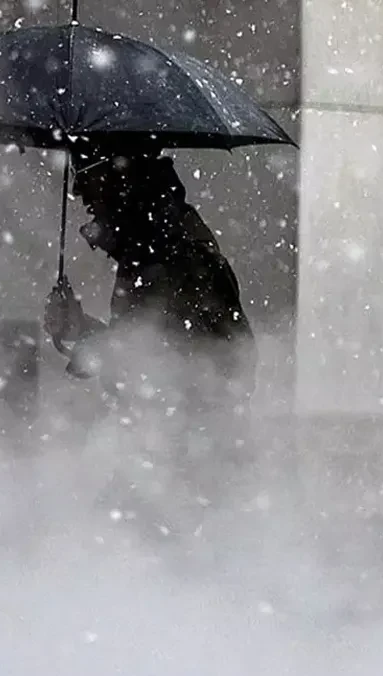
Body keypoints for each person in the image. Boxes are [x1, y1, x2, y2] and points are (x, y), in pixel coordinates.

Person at [43, 151, 257, 506]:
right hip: (168, 461)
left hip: (187, 471)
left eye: (90, 186)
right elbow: (139, 351)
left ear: (119, 183)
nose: (84, 203)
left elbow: (160, 364)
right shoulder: (150, 250)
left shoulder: (172, 256)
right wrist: (79, 329)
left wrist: (85, 337)